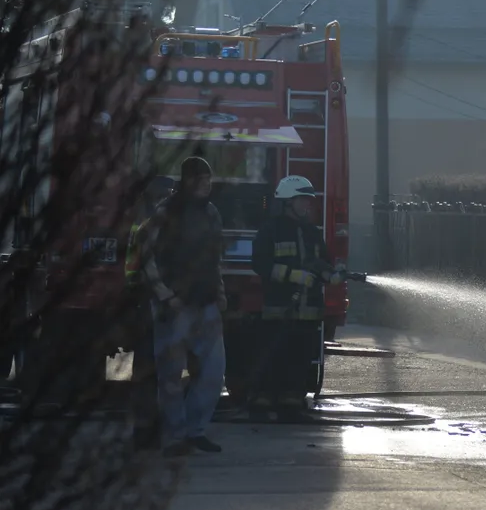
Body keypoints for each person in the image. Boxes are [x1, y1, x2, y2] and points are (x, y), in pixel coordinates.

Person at [140, 156, 227, 456]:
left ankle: (194, 431)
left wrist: (220, 292)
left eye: (208, 179)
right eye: (200, 179)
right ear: (187, 181)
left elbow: (214, 258)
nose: (206, 184)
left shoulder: (212, 213)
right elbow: (144, 254)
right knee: (171, 377)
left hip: (205, 305)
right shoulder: (165, 213)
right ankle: (175, 435)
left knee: (214, 373)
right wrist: (165, 295)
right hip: (174, 309)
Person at [248, 175, 346, 411]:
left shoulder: (311, 232)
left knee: (300, 359)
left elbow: (320, 262)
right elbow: (260, 263)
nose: (307, 205)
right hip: (279, 310)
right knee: (274, 356)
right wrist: (291, 275)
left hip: (308, 314)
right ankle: (264, 400)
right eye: (302, 200)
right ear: (287, 201)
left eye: (308, 201)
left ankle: (292, 401)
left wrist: (331, 275)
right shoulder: (270, 231)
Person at [124, 174, 177, 450]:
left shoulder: (144, 216)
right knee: (155, 366)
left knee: (149, 367)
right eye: (167, 192)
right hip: (152, 299)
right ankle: (151, 430)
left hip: (145, 298)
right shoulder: (153, 220)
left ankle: (147, 430)